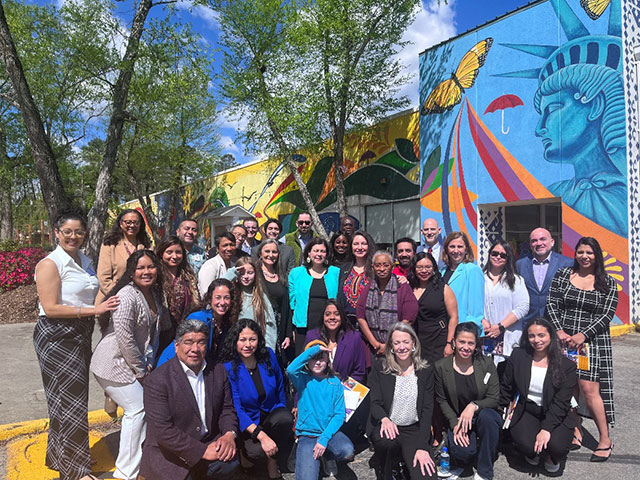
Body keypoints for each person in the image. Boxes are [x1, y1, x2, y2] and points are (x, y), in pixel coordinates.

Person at [34, 209, 120, 480]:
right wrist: (93, 312)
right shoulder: (50, 263)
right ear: (56, 233)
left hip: (81, 333)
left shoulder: (85, 260)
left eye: (79, 232)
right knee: (69, 401)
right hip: (56, 335)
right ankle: (76, 471)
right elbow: (50, 308)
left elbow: (93, 292)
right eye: (67, 232)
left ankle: (64, 456)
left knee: (67, 400)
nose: (73, 236)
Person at [91, 250, 164, 480]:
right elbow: (125, 338)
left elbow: (152, 336)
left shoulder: (152, 293)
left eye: (150, 267)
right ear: (131, 272)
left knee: (142, 410)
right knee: (137, 409)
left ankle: (135, 465)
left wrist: (148, 364)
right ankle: (124, 473)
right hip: (111, 363)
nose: (146, 272)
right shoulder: (127, 295)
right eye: (140, 268)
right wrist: (141, 371)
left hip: (131, 363)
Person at [546, 237, 618, 462]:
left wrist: (582, 335)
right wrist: (559, 331)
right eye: (581, 252)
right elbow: (551, 303)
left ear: (597, 255)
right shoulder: (563, 275)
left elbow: (607, 315)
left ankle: (605, 438)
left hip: (590, 342)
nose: (585, 256)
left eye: (590, 252)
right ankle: (575, 430)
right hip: (563, 341)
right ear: (575, 253)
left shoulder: (607, 282)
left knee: (588, 389)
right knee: (568, 388)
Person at [139, 320, 239, 480]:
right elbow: (163, 431)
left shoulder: (218, 372)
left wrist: (229, 434)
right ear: (176, 346)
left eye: (201, 342)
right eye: (189, 342)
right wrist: (202, 451)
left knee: (230, 463)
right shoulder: (157, 380)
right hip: (171, 453)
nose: (195, 349)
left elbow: (227, 410)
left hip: (209, 442)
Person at [500, 318, 579, 473]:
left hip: (555, 411)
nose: (536, 340)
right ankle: (533, 452)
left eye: (541, 335)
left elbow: (562, 403)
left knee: (557, 446)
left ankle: (551, 456)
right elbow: (507, 387)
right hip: (527, 409)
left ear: (551, 336)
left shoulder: (567, 366)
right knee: (527, 445)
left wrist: (546, 429)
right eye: (532, 336)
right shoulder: (518, 356)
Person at [220, 319, 294, 479]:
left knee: (284, 418)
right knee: (256, 452)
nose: (248, 344)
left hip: (270, 414)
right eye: (243, 340)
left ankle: (272, 462)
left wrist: (281, 408)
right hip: (247, 423)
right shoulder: (229, 368)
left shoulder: (268, 356)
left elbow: (280, 387)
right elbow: (236, 409)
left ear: (258, 339)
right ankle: (244, 456)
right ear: (235, 341)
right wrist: (262, 436)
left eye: (252, 339)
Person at [368, 322, 437, 480]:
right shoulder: (381, 368)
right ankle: (389, 466)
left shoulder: (425, 370)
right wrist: (384, 419)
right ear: (391, 345)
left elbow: (427, 410)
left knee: (426, 476)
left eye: (406, 342)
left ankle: (405, 460)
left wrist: (421, 446)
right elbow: (375, 403)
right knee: (387, 442)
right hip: (389, 426)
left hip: (413, 430)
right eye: (397, 343)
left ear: (414, 342)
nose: (401, 347)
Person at [434, 323, 502, 480]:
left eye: (471, 343)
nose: (466, 347)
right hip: (459, 419)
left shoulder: (486, 364)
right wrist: (454, 423)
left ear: (476, 344)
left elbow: (494, 398)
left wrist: (474, 406)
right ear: (454, 342)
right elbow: (442, 400)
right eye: (461, 342)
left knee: (488, 418)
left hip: (483, 415)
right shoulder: (441, 367)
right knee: (463, 454)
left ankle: (485, 469)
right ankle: (474, 447)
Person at [286, 341, 354, 480]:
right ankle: (309, 454)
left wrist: (324, 439)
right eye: (313, 358)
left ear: (328, 360)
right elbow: (290, 369)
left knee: (347, 451)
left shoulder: (334, 382)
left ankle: (328, 455)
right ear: (306, 360)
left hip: (328, 433)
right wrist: (314, 350)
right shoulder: (303, 379)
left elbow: (339, 414)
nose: (317, 362)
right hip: (308, 434)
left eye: (321, 358)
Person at [157, 278, 238, 365]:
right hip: (173, 363)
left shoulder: (226, 323)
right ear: (210, 299)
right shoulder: (198, 318)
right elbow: (187, 349)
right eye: (218, 297)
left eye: (226, 298)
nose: (222, 302)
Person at [96, 208, 151, 332]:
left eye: (136, 222)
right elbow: (104, 279)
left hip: (141, 302)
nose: (132, 225)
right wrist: (123, 300)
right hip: (114, 301)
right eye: (128, 222)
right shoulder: (110, 244)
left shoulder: (146, 246)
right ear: (121, 224)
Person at [357, 250, 418, 358]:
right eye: (378, 265)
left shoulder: (403, 287)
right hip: (373, 348)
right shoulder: (368, 288)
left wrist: (389, 344)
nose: (381, 269)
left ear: (392, 266)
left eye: (386, 265)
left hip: (398, 347)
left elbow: (408, 318)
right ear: (372, 267)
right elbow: (361, 317)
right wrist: (375, 343)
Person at [481, 240, 529, 369]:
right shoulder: (480, 278)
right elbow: (472, 303)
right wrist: (482, 320)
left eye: (503, 255)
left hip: (508, 339)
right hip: (484, 339)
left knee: (505, 382)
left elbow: (523, 307)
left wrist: (501, 326)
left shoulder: (516, 280)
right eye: (495, 253)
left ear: (508, 258)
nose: (498, 257)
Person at [289, 238, 340, 356]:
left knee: (327, 359)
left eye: (322, 251)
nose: (319, 254)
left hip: (329, 326)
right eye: (316, 251)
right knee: (304, 359)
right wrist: (292, 329)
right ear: (309, 253)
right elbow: (292, 303)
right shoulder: (296, 273)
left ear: (327, 254)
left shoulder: (336, 272)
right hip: (303, 326)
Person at [407, 252, 458, 365]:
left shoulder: (443, 288)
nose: (424, 271)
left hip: (438, 339)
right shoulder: (408, 287)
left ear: (434, 268)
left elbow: (454, 317)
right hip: (415, 339)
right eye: (420, 267)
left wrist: (449, 343)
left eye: (428, 267)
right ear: (414, 268)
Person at [516, 228, 573, 324]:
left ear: (552, 242)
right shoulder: (520, 264)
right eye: (534, 241)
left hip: (557, 324)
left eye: (543, 239)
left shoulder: (567, 263)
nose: (539, 243)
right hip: (529, 323)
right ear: (530, 245)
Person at [155, 236, 201, 352]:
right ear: (161, 253)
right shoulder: (156, 276)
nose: (174, 256)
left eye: (178, 252)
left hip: (185, 328)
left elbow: (195, 301)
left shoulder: (188, 276)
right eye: (169, 252)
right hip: (162, 331)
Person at [222, 257, 277, 351]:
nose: (246, 276)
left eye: (250, 273)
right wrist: (230, 274)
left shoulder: (260, 296)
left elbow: (270, 324)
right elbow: (217, 290)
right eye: (241, 273)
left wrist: (269, 348)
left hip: (254, 346)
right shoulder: (231, 294)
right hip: (233, 346)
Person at [306, 300, 367, 383]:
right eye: (328, 314)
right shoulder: (312, 336)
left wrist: (344, 390)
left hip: (343, 391)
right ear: (323, 317)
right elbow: (304, 368)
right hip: (317, 390)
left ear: (342, 316)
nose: (332, 317)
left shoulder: (354, 338)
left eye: (337, 314)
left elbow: (359, 372)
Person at [255, 239, 294, 362]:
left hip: (280, 326)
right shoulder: (255, 273)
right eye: (267, 251)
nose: (270, 255)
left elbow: (286, 307)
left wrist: (288, 334)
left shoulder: (281, 273)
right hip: (261, 325)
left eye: (274, 252)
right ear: (260, 253)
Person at [441, 232, 484, 335]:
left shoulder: (472, 270)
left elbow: (476, 308)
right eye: (452, 247)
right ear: (447, 249)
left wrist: (468, 330)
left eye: (460, 247)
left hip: (462, 329)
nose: (456, 251)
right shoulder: (442, 271)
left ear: (466, 250)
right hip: (445, 329)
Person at [337, 231, 377, 327]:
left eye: (363, 244)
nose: (359, 248)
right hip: (346, 324)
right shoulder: (344, 269)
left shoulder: (375, 269)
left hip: (370, 323)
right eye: (356, 244)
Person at [198, 232, 236, 297]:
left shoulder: (233, 265)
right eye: (225, 245)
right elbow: (206, 293)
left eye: (232, 245)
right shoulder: (210, 266)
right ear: (217, 249)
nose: (229, 248)